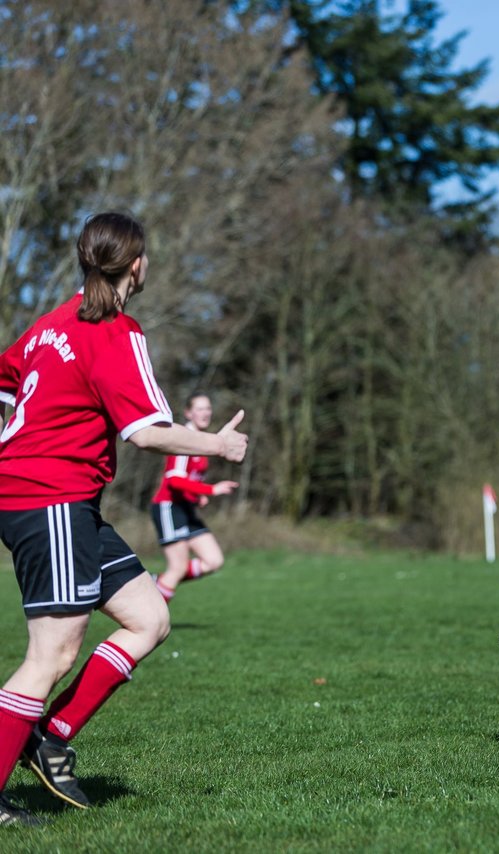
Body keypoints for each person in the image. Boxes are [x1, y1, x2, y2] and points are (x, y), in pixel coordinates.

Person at [0, 212, 249, 825]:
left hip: (62, 500)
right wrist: (216, 445)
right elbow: (145, 432)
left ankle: (51, 734)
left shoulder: (49, 324)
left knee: (149, 616)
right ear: (137, 263)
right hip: (46, 498)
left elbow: (5, 384)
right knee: (52, 654)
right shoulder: (114, 330)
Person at [150, 393, 239, 602]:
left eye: (208, 408)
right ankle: (150, 618)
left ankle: (157, 583)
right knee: (178, 568)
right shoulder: (185, 439)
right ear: (188, 413)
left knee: (214, 560)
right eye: (199, 408)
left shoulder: (202, 441)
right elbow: (174, 479)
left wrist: (195, 497)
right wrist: (209, 490)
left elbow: (187, 481)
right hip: (168, 507)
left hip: (186, 508)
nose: (205, 413)